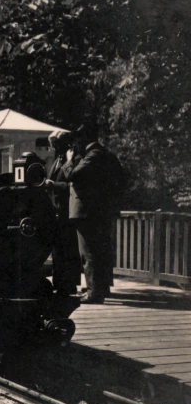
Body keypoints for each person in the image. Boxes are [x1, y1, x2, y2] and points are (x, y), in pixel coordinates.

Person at [62, 124, 125, 303]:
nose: (74, 145)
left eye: (76, 140)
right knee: (100, 250)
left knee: (88, 252)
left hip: (88, 212)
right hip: (99, 211)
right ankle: (100, 288)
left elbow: (73, 175)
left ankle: (94, 293)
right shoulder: (106, 155)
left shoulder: (94, 155)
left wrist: (69, 160)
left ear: (84, 139)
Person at [44, 131, 82, 296]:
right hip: (57, 210)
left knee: (68, 249)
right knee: (57, 249)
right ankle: (58, 282)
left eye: (56, 145)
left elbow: (75, 186)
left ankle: (69, 284)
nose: (53, 149)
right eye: (52, 146)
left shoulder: (75, 160)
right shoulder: (57, 161)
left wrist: (53, 185)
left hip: (67, 210)